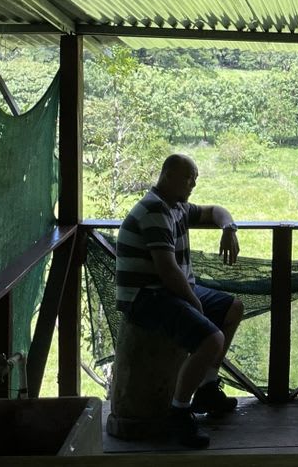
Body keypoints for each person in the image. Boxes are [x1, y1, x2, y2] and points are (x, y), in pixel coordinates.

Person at [116, 154, 245, 448]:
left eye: (196, 179)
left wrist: (229, 228)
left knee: (233, 308)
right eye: (189, 178)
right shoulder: (154, 210)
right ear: (168, 175)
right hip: (146, 296)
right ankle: (179, 412)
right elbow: (167, 269)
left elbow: (215, 210)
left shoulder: (176, 207)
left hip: (170, 290)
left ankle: (207, 387)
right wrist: (194, 304)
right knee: (211, 338)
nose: (193, 185)